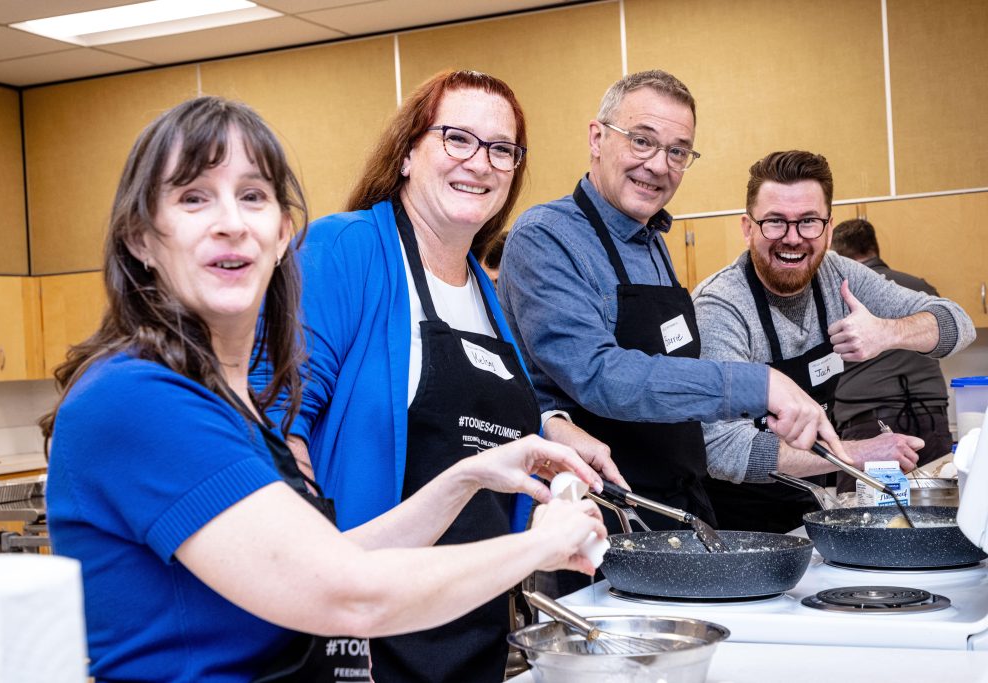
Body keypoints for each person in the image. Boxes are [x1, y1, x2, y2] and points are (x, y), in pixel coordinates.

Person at [42, 96, 607, 683]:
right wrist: (541, 547)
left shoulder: (230, 402)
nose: (231, 222)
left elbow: (329, 560)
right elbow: (347, 594)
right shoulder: (140, 399)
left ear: (284, 233)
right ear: (139, 238)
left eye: (253, 196)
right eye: (193, 197)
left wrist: (471, 476)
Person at [251, 71, 621, 683]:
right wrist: (319, 573)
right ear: (405, 154)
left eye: (502, 149)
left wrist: (550, 430)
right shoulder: (346, 251)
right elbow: (273, 418)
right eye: (457, 138)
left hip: (471, 626)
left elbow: (484, 428)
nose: (480, 163)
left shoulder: (484, 291)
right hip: (367, 631)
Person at [498, 70, 844, 541]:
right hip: (602, 516)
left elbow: (673, 370)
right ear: (597, 138)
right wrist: (759, 382)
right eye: (642, 141)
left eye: (678, 151)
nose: (659, 165)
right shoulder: (545, 237)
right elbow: (602, 377)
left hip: (680, 504)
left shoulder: (653, 241)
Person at [692, 150, 975, 532]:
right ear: (747, 227)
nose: (792, 239)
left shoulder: (838, 277)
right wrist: (852, 454)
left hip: (807, 502)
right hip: (735, 521)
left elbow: (959, 324)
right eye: (775, 222)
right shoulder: (722, 306)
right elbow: (722, 449)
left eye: (808, 221)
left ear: (828, 227)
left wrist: (888, 332)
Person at [830, 218, 955, 491]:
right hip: (932, 418)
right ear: (875, 248)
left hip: (868, 424)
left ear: (837, 256)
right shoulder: (919, 289)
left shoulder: (840, 295)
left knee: (862, 522)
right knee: (939, 515)